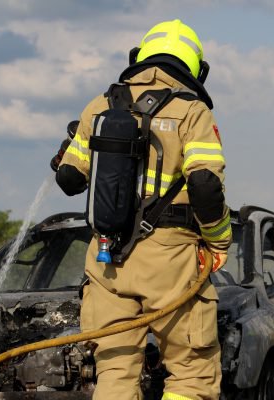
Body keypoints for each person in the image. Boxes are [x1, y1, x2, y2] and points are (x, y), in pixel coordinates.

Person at [52, 19, 231, 400]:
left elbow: (68, 178)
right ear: (196, 70)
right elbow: (204, 185)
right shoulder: (192, 111)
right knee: (192, 376)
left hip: (106, 261)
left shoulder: (99, 105)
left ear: (139, 57)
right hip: (171, 262)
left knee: (115, 375)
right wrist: (219, 242)